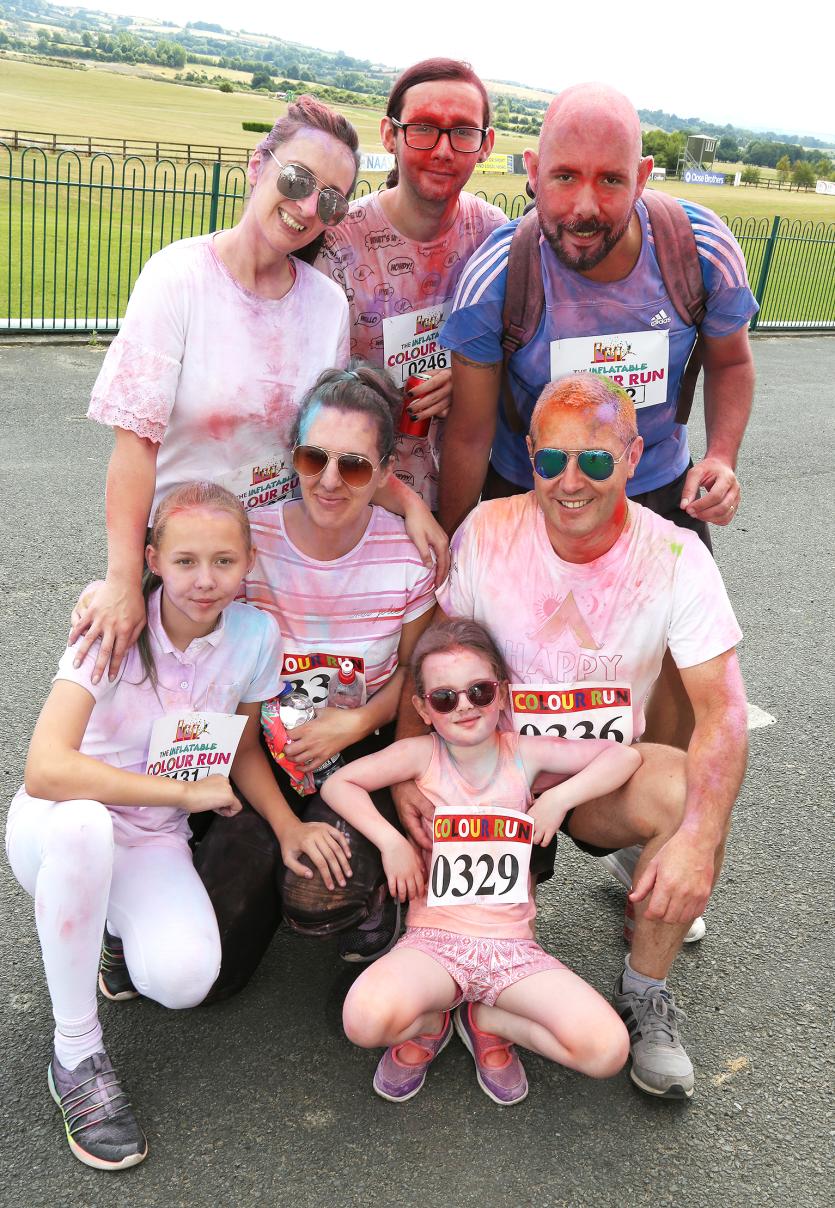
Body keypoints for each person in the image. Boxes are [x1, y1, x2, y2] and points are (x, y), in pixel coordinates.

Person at [396, 374, 749, 1099]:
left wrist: (696, 840)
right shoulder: (488, 531)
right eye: (550, 460)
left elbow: (724, 712)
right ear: (527, 454)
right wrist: (408, 779)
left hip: (597, 780)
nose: (569, 482)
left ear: (632, 456)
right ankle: (464, 976)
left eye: (593, 461)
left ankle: (644, 990)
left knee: (690, 799)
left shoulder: (677, 556)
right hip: (491, 781)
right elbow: (428, 664)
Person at [5, 483, 350, 1171]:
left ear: (249, 561)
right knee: (83, 832)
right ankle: (76, 1053)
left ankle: (109, 930)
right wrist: (181, 791)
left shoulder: (254, 634)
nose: (205, 580)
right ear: (153, 558)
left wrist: (285, 829)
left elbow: (245, 746)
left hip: (151, 837)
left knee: (185, 979)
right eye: (186, 560)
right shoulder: (114, 621)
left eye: (224, 561)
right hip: (59, 825)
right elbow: (45, 768)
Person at [71, 96, 445, 688]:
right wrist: (123, 581)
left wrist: (410, 503)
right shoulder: (178, 279)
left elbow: (331, 437)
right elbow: (135, 446)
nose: (305, 207)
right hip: (189, 561)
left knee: (252, 736)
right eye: (295, 179)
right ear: (257, 165)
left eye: (329, 199)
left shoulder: (325, 305)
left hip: (275, 564)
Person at [437, 81, 757, 752]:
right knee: (513, 678)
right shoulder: (495, 280)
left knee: (670, 682)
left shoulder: (697, 250)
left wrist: (721, 454)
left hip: (656, 492)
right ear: (530, 172)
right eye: (563, 177)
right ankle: (525, 838)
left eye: (610, 180)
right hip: (530, 493)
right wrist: (453, 546)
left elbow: (730, 361)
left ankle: (643, 817)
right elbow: (466, 432)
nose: (583, 207)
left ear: (642, 176)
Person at [321, 618, 640, 1104]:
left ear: (503, 694)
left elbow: (622, 757)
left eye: (479, 691)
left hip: (513, 950)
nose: (465, 706)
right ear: (423, 709)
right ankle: (431, 1019)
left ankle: (486, 1017)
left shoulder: (524, 754)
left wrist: (558, 799)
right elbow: (338, 784)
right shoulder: (419, 755)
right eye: (445, 698)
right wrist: (391, 843)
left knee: (607, 1050)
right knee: (362, 1020)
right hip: (432, 945)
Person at [202, 365, 436, 987]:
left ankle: (368, 899)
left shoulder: (408, 557)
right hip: (259, 750)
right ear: (295, 458)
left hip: (358, 752)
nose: (330, 481)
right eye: (314, 459)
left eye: (356, 466)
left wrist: (358, 719)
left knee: (321, 895)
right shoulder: (251, 547)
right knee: (208, 967)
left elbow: (413, 670)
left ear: (387, 472)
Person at [315, 58, 506, 508]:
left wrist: (471, 380)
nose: (443, 149)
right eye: (423, 128)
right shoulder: (338, 242)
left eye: (462, 131)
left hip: (458, 494)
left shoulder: (494, 236)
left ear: (485, 145)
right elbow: (308, 388)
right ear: (389, 134)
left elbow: (519, 355)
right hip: (355, 496)